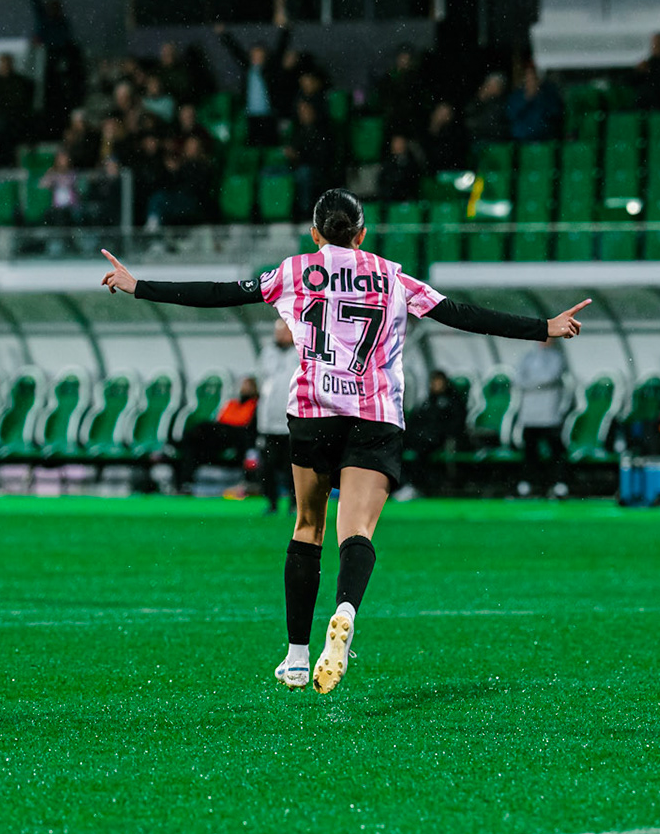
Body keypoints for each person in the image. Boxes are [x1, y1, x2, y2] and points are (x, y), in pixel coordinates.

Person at [98, 188, 588, 695]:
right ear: (363, 233)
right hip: (374, 416)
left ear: (314, 233)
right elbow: (460, 313)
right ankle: (347, 610)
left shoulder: (294, 271)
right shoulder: (393, 275)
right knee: (355, 530)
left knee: (308, 524)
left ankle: (294, 657)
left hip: (313, 414)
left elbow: (222, 293)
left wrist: (140, 286)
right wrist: (542, 327)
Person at [255, 320, 302, 515]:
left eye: (285, 331)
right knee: (268, 467)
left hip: (293, 421)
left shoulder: (301, 351)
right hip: (268, 423)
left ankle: (295, 504)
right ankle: (272, 503)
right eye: (278, 331)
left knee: (294, 467)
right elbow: (261, 380)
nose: (280, 335)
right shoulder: (267, 353)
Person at [514, 336, 570, 499]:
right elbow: (518, 379)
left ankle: (558, 484)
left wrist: (531, 383)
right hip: (530, 414)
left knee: (555, 451)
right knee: (530, 451)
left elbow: (551, 377)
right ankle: (529, 483)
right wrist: (536, 384)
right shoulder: (528, 357)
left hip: (549, 413)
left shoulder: (557, 357)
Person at [402, 369, 469, 498]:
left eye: (438, 382)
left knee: (421, 452)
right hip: (420, 438)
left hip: (437, 440)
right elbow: (414, 421)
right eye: (433, 382)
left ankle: (417, 486)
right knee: (397, 446)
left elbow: (454, 424)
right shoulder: (427, 402)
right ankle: (403, 485)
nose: (435, 385)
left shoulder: (452, 402)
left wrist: (437, 434)